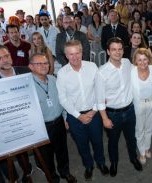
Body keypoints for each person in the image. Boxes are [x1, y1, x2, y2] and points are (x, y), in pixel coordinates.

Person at [56, 40, 108, 181]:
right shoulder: (62, 73)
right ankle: (88, 165)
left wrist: (95, 110)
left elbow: (100, 90)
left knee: (98, 141)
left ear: (82, 52)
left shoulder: (92, 67)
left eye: (77, 52)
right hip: (75, 117)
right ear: (66, 55)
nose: (75, 57)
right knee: (82, 144)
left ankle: (101, 162)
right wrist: (79, 116)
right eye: (71, 54)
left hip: (94, 113)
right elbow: (63, 99)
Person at [97, 37, 142, 177]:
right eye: (114, 49)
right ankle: (114, 163)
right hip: (112, 114)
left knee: (131, 138)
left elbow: (143, 68)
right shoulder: (101, 72)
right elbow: (99, 99)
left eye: (120, 49)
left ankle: (133, 158)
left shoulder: (127, 63)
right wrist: (104, 118)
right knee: (113, 141)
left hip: (129, 111)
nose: (117, 52)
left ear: (123, 50)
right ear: (108, 51)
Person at [28, 53, 77, 183]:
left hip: (59, 122)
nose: (44, 66)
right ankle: (53, 177)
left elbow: (63, 100)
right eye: (39, 64)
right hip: (42, 126)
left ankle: (65, 172)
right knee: (46, 155)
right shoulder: (28, 86)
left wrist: (65, 117)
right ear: (31, 67)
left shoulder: (54, 79)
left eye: (46, 63)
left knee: (62, 150)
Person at [0, 45, 32, 182]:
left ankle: (28, 171)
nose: (5, 60)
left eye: (6, 56)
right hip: (6, 127)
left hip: (28, 122)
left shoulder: (26, 72)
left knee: (25, 153)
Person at [131, 48, 152, 164]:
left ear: (149, 59)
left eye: (145, 59)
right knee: (139, 129)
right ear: (135, 61)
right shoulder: (131, 71)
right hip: (138, 104)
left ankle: (147, 148)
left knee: (149, 127)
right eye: (139, 60)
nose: (142, 62)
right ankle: (141, 152)